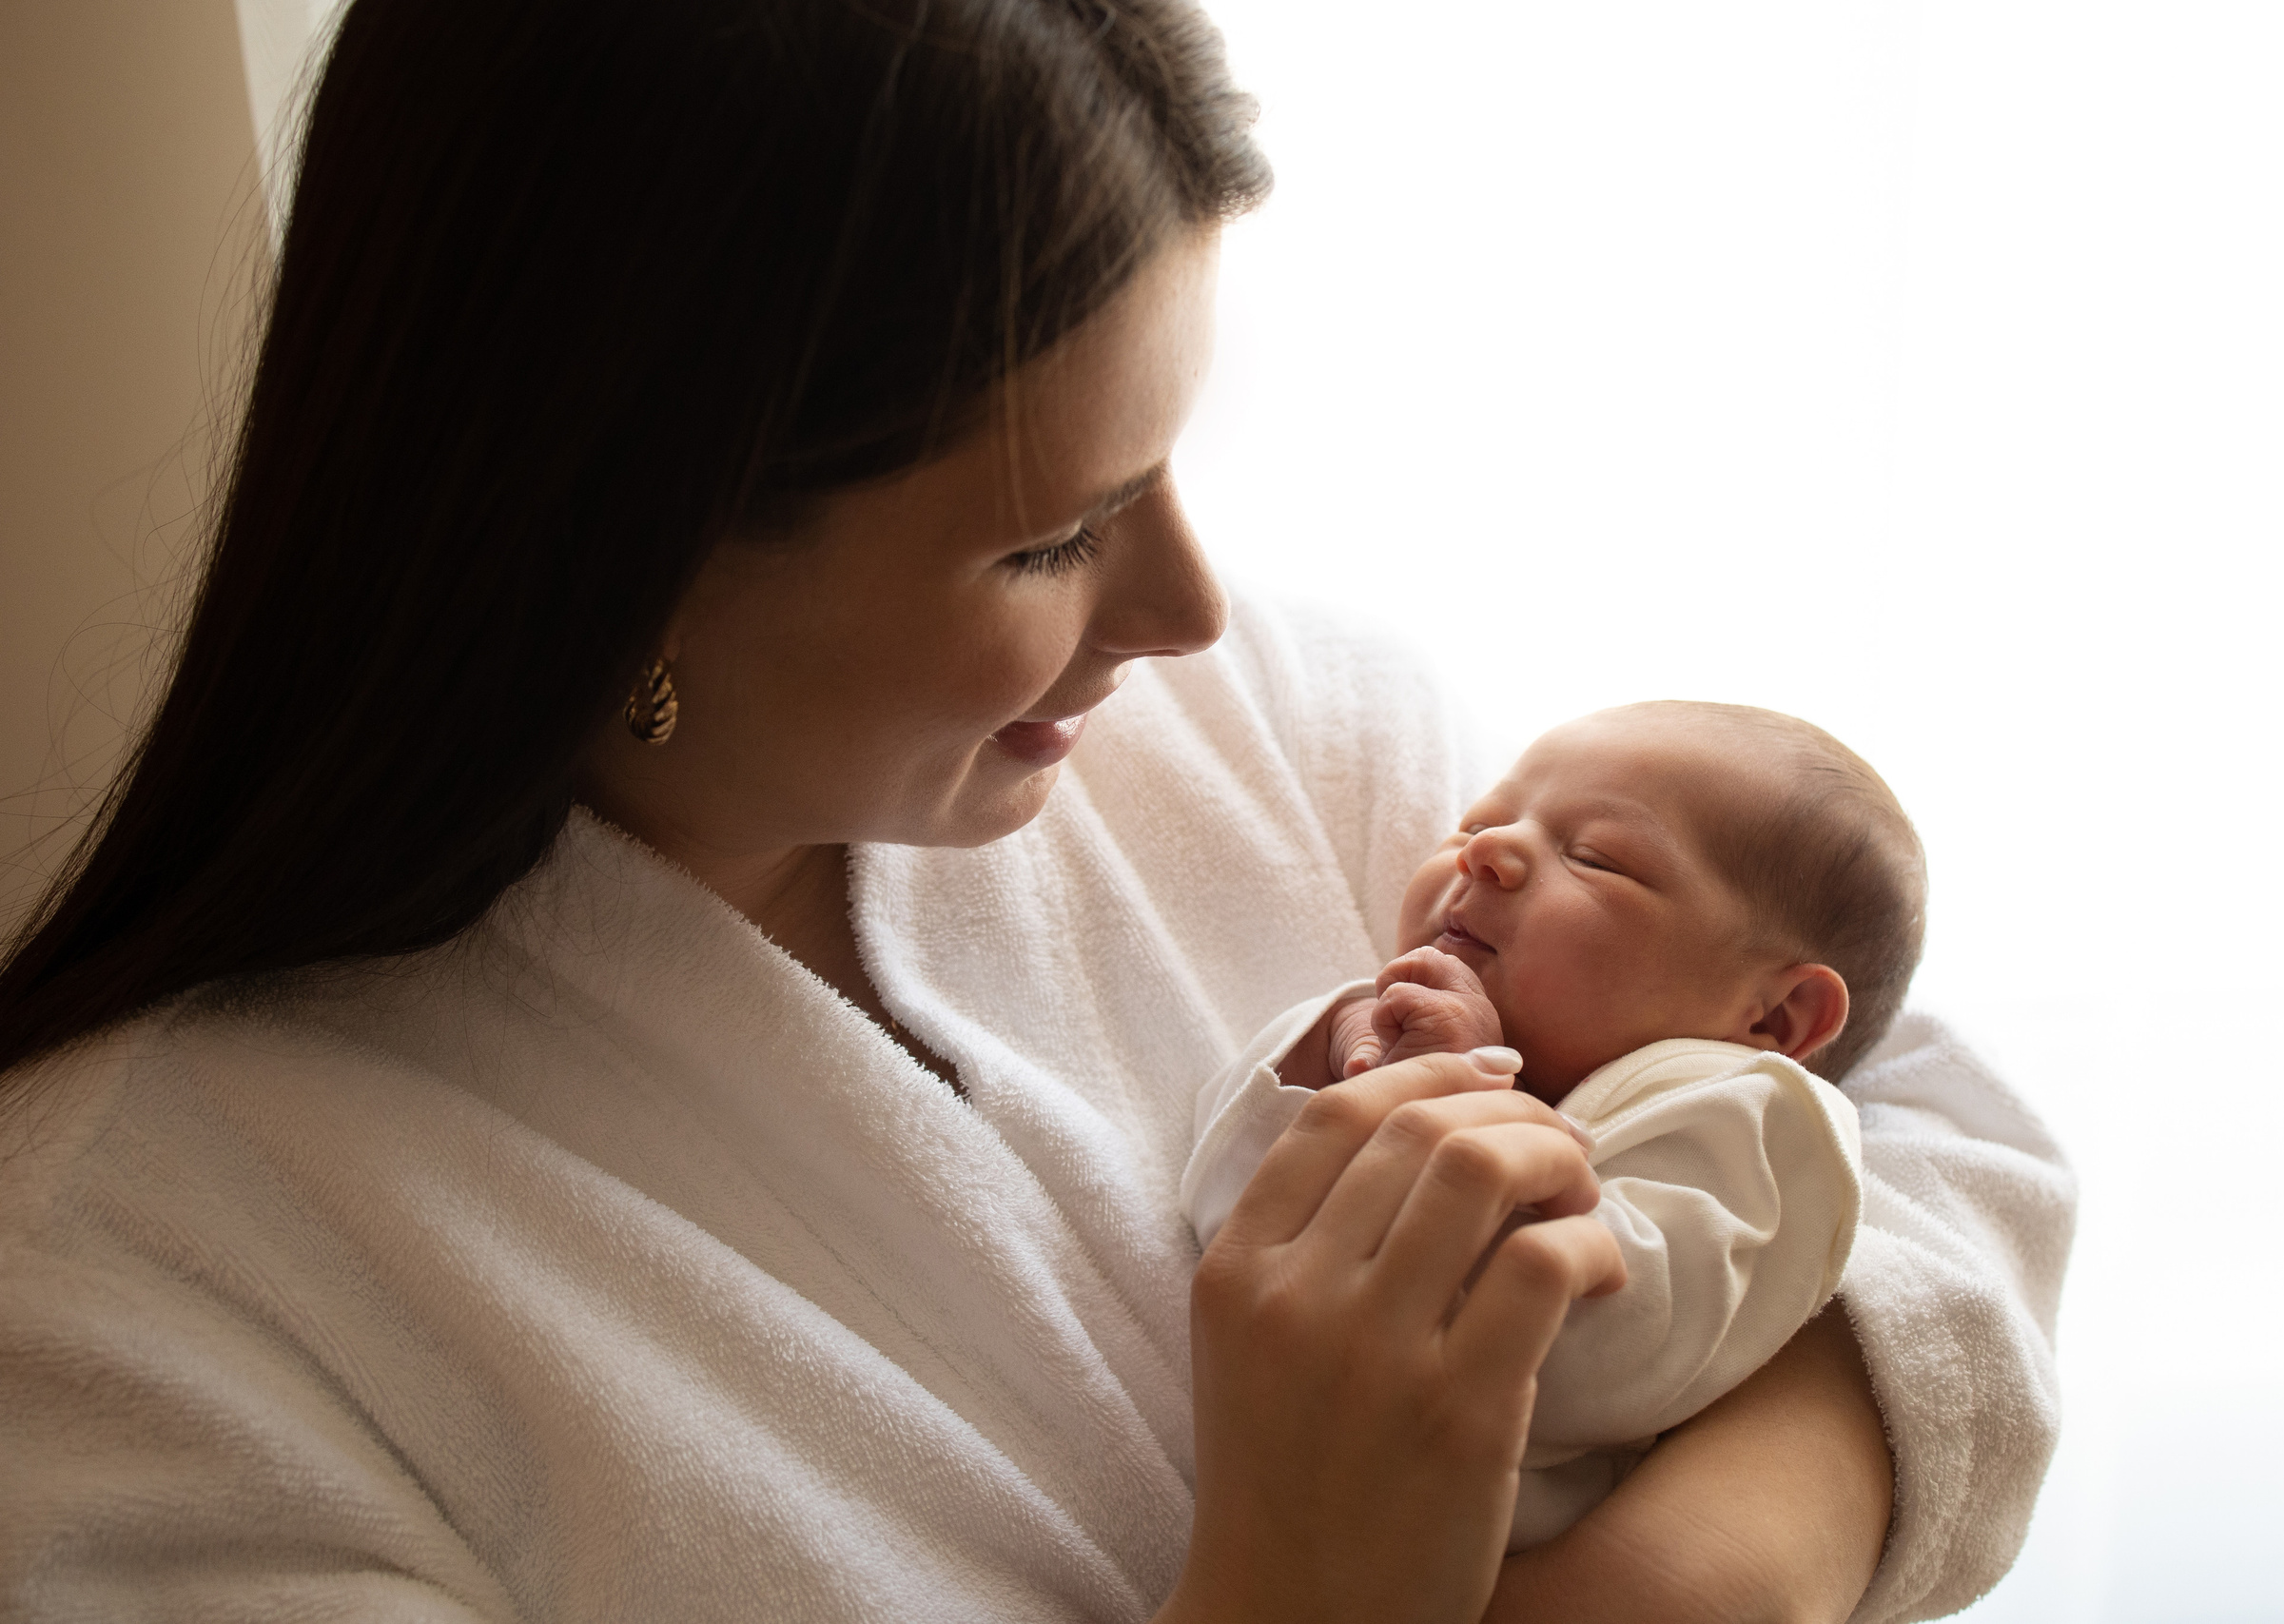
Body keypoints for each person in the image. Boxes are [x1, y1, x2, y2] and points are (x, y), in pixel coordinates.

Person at [0, 3, 2073, 1621]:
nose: (1182, 610)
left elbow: (1909, 1107)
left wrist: (1673, 1579)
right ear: (621, 553)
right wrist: (1299, 1587)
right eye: (1053, 537)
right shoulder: (137, 1297)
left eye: (1169, 463)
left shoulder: (1288, 721)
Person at [1181, 701, 1926, 1551]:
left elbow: (1598, 1349)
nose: (1485, 852)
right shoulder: (1417, 1030)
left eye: (1597, 858)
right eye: (1479, 823)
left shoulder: (1751, 1116)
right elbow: (1224, 1209)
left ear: (1774, 1018)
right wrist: (1335, 1047)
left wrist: (1462, 1096)